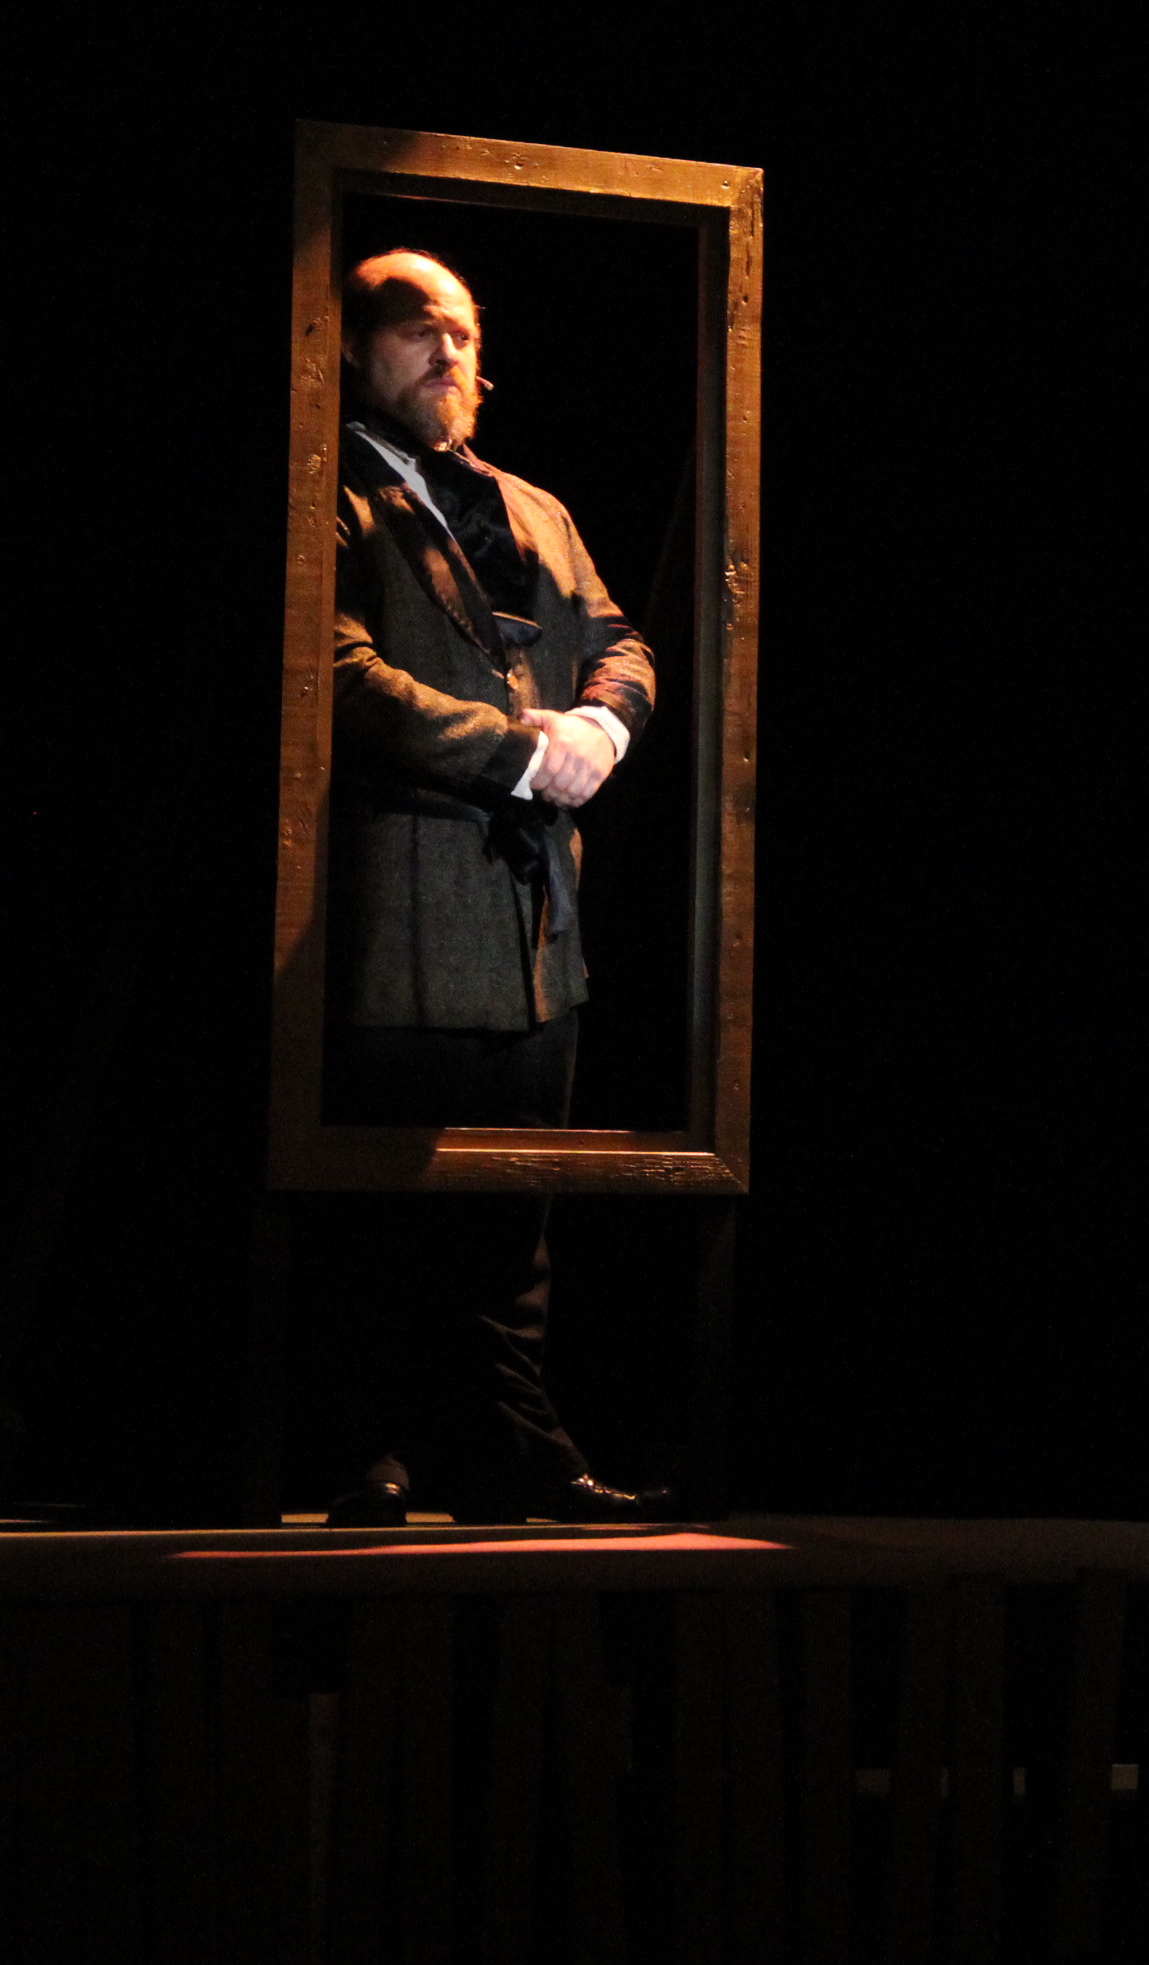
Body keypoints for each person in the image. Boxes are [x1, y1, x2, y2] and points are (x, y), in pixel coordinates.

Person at [319, 248, 666, 1525]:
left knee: (515, 1213)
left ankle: (516, 1448)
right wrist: (519, 752)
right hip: (405, 895)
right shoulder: (332, 493)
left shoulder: (538, 510)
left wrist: (603, 726)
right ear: (352, 346)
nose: (447, 349)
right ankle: (374, 1448)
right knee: (384, 1198)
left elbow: (619, 638)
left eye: (462, 331)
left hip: (536, 916)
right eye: (416, 326)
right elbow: (339, 672)